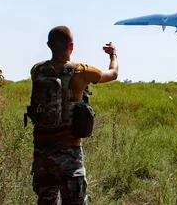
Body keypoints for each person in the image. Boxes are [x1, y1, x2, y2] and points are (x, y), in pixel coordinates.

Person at [29, 25, 118, 204]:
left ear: (48, 45)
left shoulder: (36, 70)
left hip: (41, 154)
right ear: (71, 47)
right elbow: (113, 73)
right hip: (69, 155)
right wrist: (113, 55)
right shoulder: (80, 71)